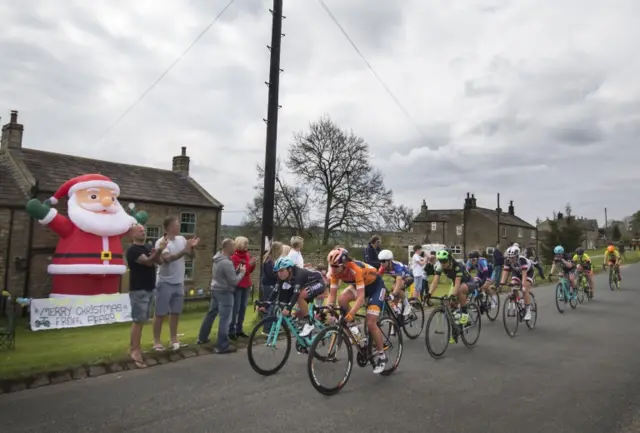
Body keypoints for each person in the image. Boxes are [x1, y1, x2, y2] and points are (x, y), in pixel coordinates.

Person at [326, 247, 388, 374]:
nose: (333, 269)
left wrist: (351, 314)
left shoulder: (355, 269)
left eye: (335, 266)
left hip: (375, 287)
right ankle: (356, 332)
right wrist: (327, 309)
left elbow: (360, 298)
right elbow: (332, 295)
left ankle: (382, 355)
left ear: (344, 263)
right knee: (342, 300)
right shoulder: (334, 272)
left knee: (371, 322)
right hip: (360, 286)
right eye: (331, 265)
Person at [153, 216, 198, 352]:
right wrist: (184, 251)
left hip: (179, 282)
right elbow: (167, 259)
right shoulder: (162, 242)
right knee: (160, 313)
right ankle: (156, 342)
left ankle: (174, 340)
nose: (179, 226)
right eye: (176, 224)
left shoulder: (182, 239)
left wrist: (192, 247)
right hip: (164, 282)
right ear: (169, 228)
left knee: (175, 313)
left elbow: (192, 256)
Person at [197, 238, 246, 353]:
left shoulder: (217, 259)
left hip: (215, 289)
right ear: (228, 247)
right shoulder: (226, 262)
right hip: (225, 291)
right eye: (233, 246)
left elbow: (226, 275)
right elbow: (233, 281)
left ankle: (202, 337)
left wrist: (236, 271)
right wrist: (242, 273)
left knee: (211, 313)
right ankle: (222, 345)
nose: (235, 248)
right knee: (225, 318)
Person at [126, 225, 162, 368]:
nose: (143, 231)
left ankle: (133, 347)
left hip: (149, 287)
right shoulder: (133, 250)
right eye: (139, 230)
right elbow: (147, 262)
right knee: (138, 320)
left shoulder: (147, 247)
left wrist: (157, 252)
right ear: (133, 234)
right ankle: (136, 351)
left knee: (143, 319)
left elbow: (158, 262)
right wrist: (157, 251)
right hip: (138, 289)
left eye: (143, 229)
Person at [265, 256, 325, 338]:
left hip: (317, 282)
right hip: (305, 285)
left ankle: (309, 323)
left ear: (289, 269)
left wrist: (288, 308)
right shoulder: (281, 276)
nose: (279, 273)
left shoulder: (299, 274)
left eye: (282, 270)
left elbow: (296, 293)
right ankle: (305, 341)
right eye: (278, 271)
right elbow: (275, 291)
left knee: (300, 296)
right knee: (296, 309)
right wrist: (266, 305)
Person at [425, 250, 476, 332]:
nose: (442, 263)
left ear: (450, 259)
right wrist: (429, 293)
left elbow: (457, 283)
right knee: (450, 304)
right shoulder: (440, 267)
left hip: (468, 283)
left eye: (444, 261)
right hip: (457, 284)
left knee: (458, 291)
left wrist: (453, 295)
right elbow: (435, 282)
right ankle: (456, 328)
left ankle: (465, 313)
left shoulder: (457, 266)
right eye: (441, 261)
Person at [229, 236, 256, 340]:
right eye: (245, 243)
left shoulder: (247, 255)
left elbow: (248, 271)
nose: (247, 246)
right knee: (235, 308)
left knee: (243, 308)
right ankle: (231, 330)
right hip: (238, 285)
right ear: (239, 244)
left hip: (246, 284)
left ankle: (239, 329)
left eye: (247, 243)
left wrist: (253, 265)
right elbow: (241, 271)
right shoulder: (234, 257)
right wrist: (249, 265)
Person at [501, 245, 535, 321]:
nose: (511, 259)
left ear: (517, 256)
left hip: (528, 272)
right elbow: (505, 273)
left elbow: (524, 275)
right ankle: (519, 300)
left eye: (512, 257)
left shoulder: (522, 260)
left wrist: (523, 286)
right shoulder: (507, 261)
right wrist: (501, 283)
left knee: (524, 289)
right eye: (509, 257)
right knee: (513, 284)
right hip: (516, 273)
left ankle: (528, 311)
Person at [377, 249, 413, 318]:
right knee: (392, 295)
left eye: (383, 261)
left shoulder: (397, 266)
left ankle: (407, 305)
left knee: (395, 289)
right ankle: (397, 315)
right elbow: (378, 279)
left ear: (390, 260)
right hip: (398, 279)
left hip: (408, 277)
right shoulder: (382, 267)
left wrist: (393, 294)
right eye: (380, 261)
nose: (381, 263)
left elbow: (399, 281)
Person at [260, 241, 283, 333]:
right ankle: (266, 328)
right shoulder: (269, 261)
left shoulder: (274, 260)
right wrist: (281, 274)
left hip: (273, 285)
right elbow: (271, 274)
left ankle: (271, 327)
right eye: (280, 248)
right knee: (269, 305)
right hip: (268, 285)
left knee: (273, 306)